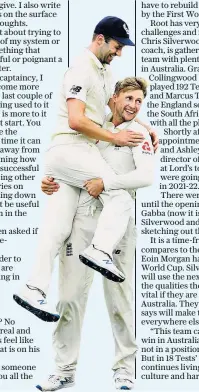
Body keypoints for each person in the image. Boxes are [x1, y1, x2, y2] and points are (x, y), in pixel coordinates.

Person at [13, 16, 158, 323]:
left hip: (70, 159)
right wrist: (117, 137)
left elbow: (111, 109)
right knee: (118, 196)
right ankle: (100, 250)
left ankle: (33, 288)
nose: (119, 53)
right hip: (72, 148)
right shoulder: (81, 68)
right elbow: (76, 120)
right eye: (117, 47)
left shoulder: (104, 72)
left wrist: (143, 124)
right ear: (100, 39)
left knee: (57, 228)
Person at [35, 77, 155, 391]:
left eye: (139, 102)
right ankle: (64, 370)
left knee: (120, 299)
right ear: (113, 97)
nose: (133, 106)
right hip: (83, 222)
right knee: (70, 297)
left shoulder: (139, 133)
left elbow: (146, 176)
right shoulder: (91, 125)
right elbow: (67, 163)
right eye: (128, 98)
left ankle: (125, 370)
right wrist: (49, 183)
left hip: (118, 227)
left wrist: (108, 184)